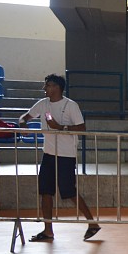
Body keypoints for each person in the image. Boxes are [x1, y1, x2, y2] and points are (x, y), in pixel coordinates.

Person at [18, 74, 101, 242]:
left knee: (69, 191)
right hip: (49, 154)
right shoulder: (43, 104)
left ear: (57, 87)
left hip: (66, 155)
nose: (44, 88)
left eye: (48, 85)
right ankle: (48, 230)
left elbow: (82, 128)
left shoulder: (71, 105)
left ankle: (92, 223)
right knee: (45, 192)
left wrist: (60, 127)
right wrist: (22, 124)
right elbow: (25, 116)